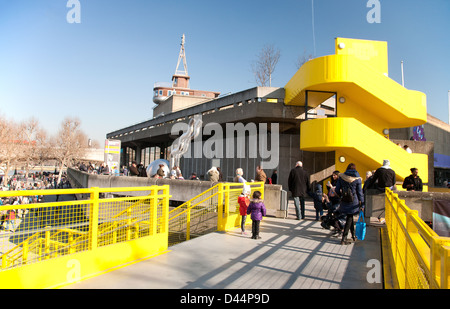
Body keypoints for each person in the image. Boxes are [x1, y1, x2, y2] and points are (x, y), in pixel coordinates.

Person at [335, 163, 364, 245]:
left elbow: (337, 190)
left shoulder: (341, 177)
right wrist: (362, 203)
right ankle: (344, 238)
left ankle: (353, 236)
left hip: (344, 199)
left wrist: (341, 196)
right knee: (350, 217)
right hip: (354, 200)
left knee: (349, 216)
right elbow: (360, 193)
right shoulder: (357, 179)